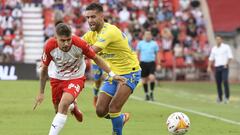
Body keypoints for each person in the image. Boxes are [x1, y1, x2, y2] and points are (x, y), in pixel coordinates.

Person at [34, 23, 126, 135]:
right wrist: (41, 92)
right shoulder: (49, 46)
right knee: (58, 109)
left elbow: (96, 58)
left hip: (75, 78)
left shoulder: (79, 43)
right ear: (55, 38)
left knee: (63, 105)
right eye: (62, 40)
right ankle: (73, 106)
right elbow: (44, 70)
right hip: (56, 78)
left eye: (68, 39)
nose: (66, 43)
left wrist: (112, 74)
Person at [83, 3, 141, 135]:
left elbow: (91, 52)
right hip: (113, 74)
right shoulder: (90, 35)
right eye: (87, 17)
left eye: (93, 16)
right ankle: (120, 119)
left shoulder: (109, 31)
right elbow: (77, 45)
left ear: (102, 16)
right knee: (100, 111)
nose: (90, 20)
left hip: (129, 73)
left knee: (114, 107)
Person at [207, 36, 233, 104]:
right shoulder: (214, 49)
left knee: (225, 81)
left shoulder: (226, 47)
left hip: (224, 67)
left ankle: (227, 97)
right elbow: (211, 58)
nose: (218, 41)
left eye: (219, 39)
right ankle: (220, 97)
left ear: (221, 40)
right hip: (217, 67)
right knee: (218, 83)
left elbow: (230, 57)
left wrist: (227, 64)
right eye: (216, 39)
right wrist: (209, 66)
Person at [136, 31, 161, 101]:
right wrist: (136, 62)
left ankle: (151, 93)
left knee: (152, 77)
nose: (148, 36)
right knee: (144, 80)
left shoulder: (154, 44)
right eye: (146, 35)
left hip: (151, 63)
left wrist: (159, 64)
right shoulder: (140, 43)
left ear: (151, 36)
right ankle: (146, 94)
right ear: (144, 36)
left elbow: (157, 54)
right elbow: (137, 53)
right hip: (143, 63)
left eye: (149, 35)